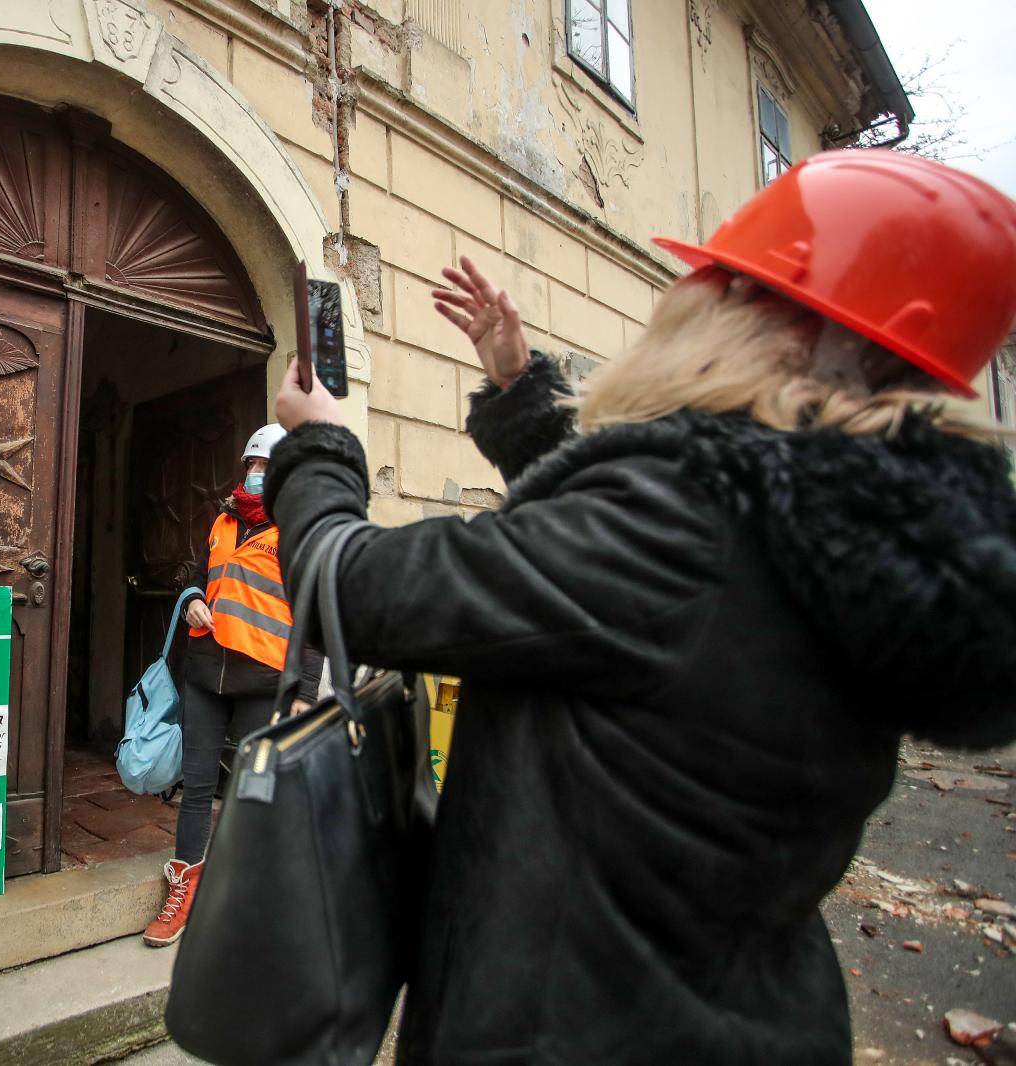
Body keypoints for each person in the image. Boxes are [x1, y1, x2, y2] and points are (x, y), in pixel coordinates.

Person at [265, 150, 1016, 1063]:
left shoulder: (688, 531)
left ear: (764, 324)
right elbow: (622, 589)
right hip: (725, 1017)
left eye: (717, 281)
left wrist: (321, 450)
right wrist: (520, 388)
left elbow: (354, 589)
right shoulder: (843, 524)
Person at [142, 424, 322, 948]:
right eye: (253, 465)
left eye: (269, 467)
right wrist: (195, 595)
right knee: (197, 788)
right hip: (205, 674)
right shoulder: (221, 521)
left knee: (252, 791)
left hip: (265, 683)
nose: (258, 475)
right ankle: (184, 893)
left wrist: (305, 694)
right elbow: (200, 573)